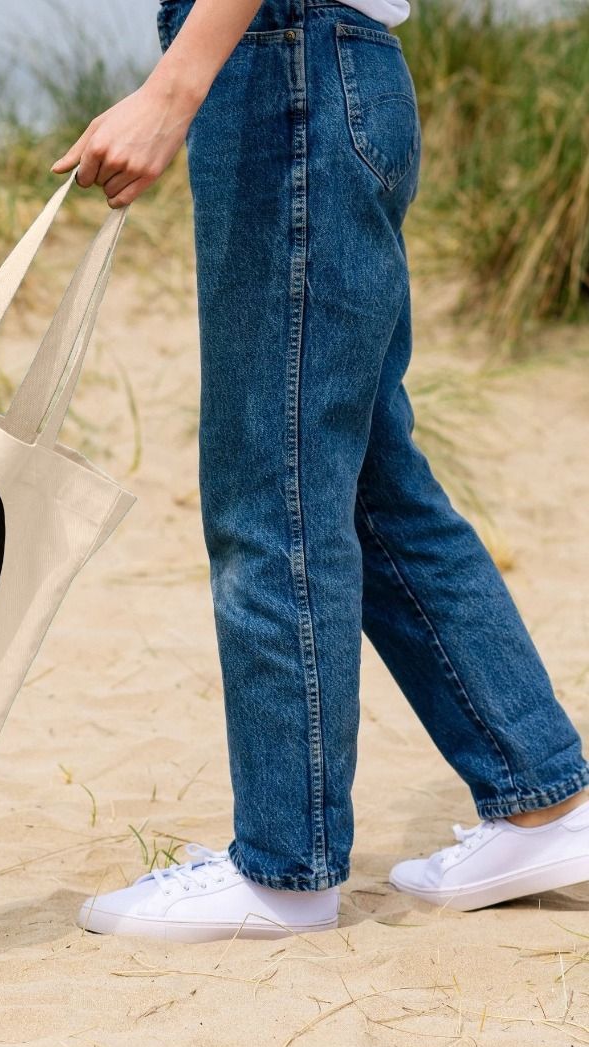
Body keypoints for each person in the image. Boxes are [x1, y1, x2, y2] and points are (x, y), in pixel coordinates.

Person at [50, 0, 589, 942]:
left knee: (274, 487)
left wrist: (174, 87)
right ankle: (543, 800)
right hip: (324, 69)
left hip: (284, 68)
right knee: (372, 487)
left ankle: (283, 867)